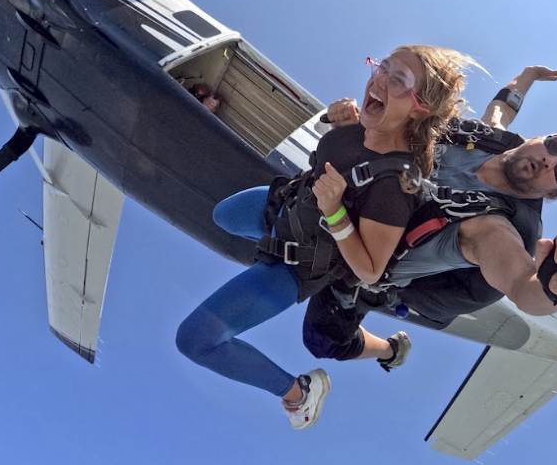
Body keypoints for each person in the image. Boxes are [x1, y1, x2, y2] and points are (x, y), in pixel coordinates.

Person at [175, 45, 473, 430]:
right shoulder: (355, 129)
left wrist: (334, 211)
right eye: (383, 67)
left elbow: (369, 269)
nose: (379, 79)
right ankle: (274, 255)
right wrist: (335, 123)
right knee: (224, 215)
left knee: (196, 340)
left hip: (297, 265)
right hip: (284, 207)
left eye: (398, 79)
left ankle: (300, 393)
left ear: (420, 107)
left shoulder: (394, 185)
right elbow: (340, 160)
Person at [300, 64, 557, 368]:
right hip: (351, 202)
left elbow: (520, 282)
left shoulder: (495, 227)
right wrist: (528, 74)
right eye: (555, 144)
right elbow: (502, 108)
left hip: (360, 263)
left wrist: (554, 292)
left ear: (554, 193)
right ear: (540, 137)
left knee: (321, 340)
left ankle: (391, 350)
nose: (550, 160)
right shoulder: (486, 139)